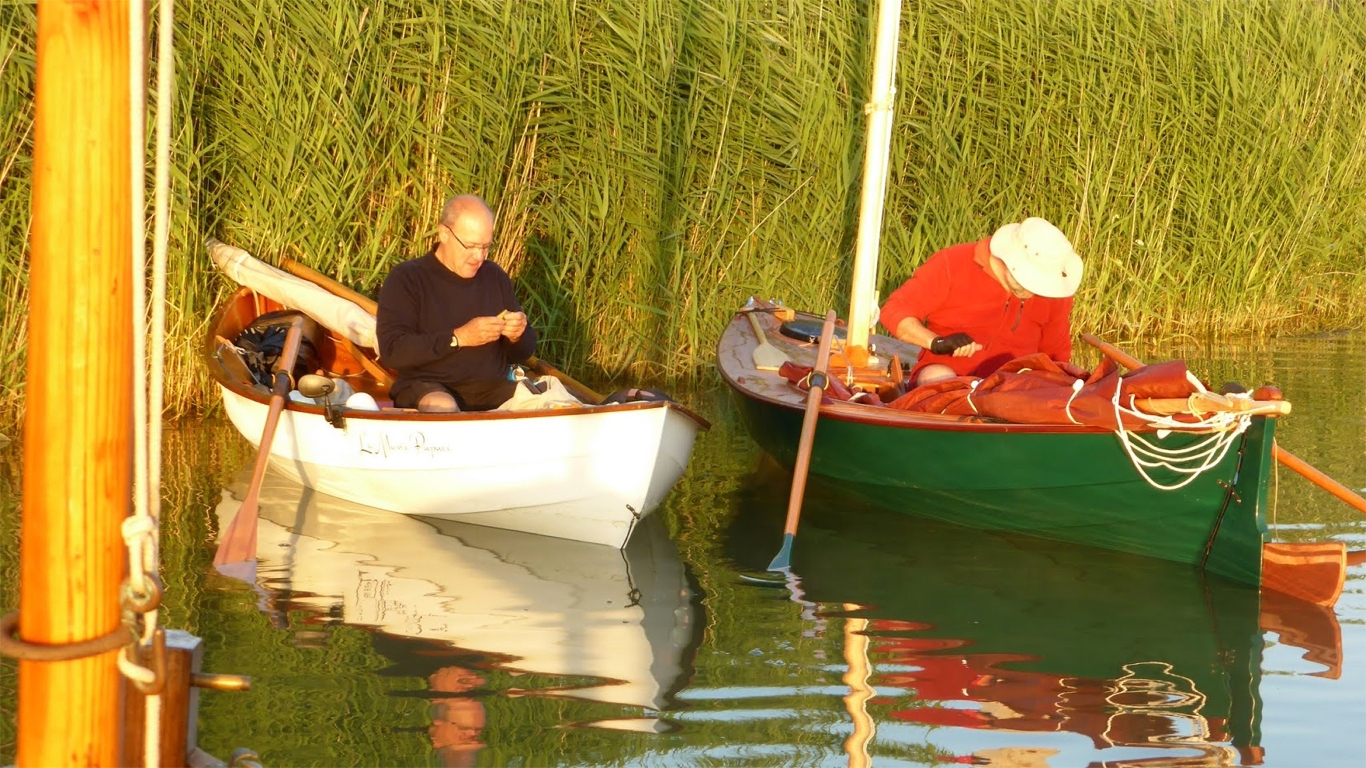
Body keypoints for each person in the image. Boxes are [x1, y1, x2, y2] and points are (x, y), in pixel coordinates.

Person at [879, 217, 1083, 387]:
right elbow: (894, 311)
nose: (1036, 291)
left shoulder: (1055, 292)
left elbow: (1056, 357)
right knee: (937, 376)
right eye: (1032, 282)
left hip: (1015, 387)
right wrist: (937, 342)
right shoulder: (953, 263)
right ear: (1009, 260)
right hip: (947, 382)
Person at [377, 194, 537, 411]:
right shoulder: (407, 278)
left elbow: (522, 353)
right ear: (444, 233)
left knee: (552, 400)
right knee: (442, 406)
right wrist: (458, 338)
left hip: (491, 388)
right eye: (470, 246)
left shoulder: (494, 277)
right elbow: (393, 351)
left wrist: (518, 334)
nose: (479, 256)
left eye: (486, 247)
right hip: (427, 386)